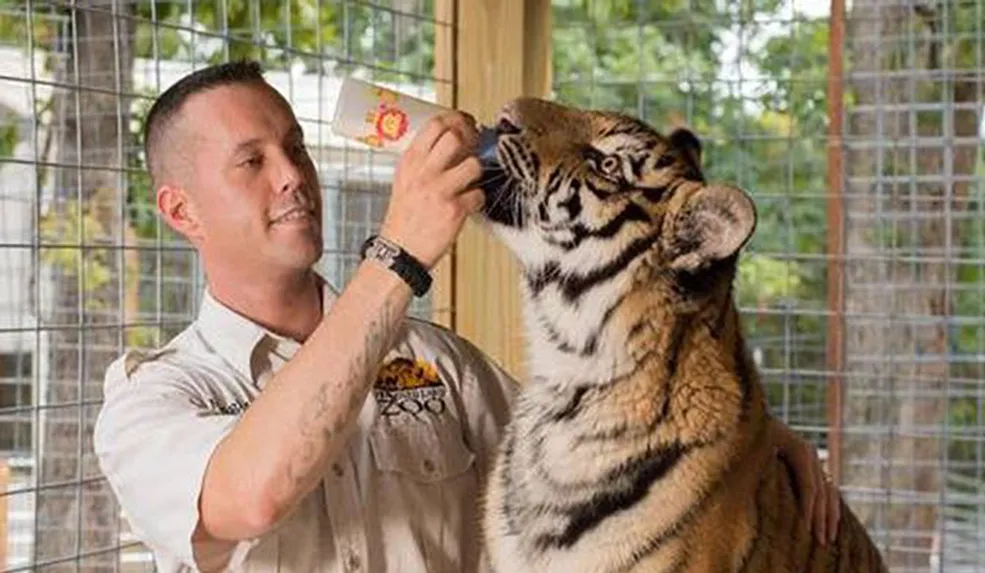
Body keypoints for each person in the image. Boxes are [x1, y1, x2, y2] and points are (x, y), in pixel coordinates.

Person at [93, 60, 840, 573]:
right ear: (179, 209)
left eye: (295, 147)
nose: (292, 175)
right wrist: (398, 255)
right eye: (250, 162)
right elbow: (250, 493)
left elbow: (598, 447)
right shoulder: (151, 399)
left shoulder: (439, 363)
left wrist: (743, 435)